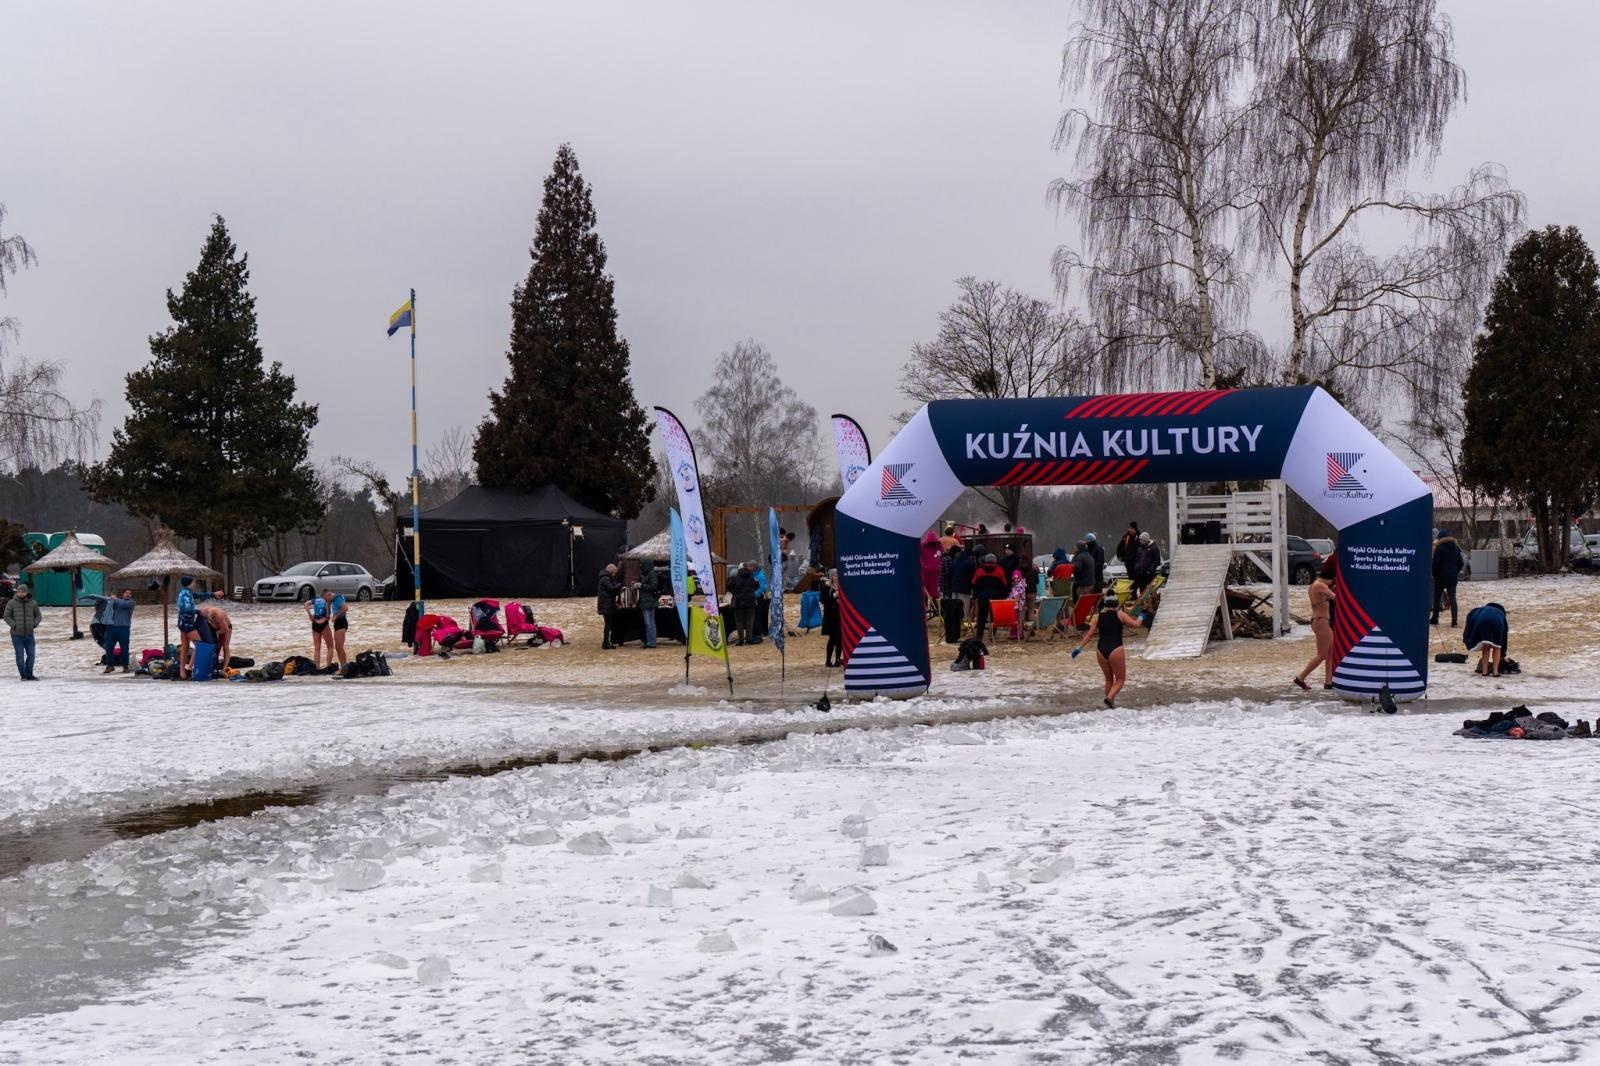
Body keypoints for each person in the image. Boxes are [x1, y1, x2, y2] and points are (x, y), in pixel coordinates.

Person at [1077, 590, 1145, 708]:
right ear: (1116, 603)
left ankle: (1109, 705)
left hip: (1100, 650)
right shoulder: (1120, 614)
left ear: (1105, 604)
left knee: (1108, 679)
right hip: (1116, 649)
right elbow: (1136, 625)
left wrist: (1078, 648)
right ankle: (1109, 698)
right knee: (1120, 679)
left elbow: (1089, 635)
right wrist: (1141, 616)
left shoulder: (1098, 617)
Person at [1293, 558, 1339, 690]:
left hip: (1320, 620)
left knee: (1330, 653)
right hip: (1321, 621)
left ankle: (1328, 682)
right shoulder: (1321, 586)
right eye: (1332, 581)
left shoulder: (1314, 584)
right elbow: (1336, 598)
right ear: (1329, 579)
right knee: (1322, 655)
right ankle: (1300, 678)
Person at [4, 582, 41, 681]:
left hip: (29, 634)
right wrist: (14, 625)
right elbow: (6, 616)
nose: (21, 593)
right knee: (20, 656)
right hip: (16, 635)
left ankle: (30, 675)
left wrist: (34, 624)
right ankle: (23, 675)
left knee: (31, 655)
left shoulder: (33, 603)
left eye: (23, 592)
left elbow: (38, 616)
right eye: (19, 592)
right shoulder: (11, 603)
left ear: (26, 592)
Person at [1464, 602, 1509, 678]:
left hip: (1482, 622)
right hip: (1497, 623)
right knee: (1497, 647)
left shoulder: (1481, 610)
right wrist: (1503, 654)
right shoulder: (1501, 614)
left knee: (1486, 645)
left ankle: (1484, 671)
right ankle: (1495, 672)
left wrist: (1466, 638)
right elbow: (1504, 637)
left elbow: (1470, 617)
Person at [971, 552, 1009, 642]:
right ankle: (992, 635)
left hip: (983, 596)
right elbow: (1004, 584)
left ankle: (979, 635)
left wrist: (976, 595)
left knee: (982, 616)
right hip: (996, 598)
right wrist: (1004, 595)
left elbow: (973, 583)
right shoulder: (999, 570)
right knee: (994, 617)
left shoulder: (979, 570)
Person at [1431, 528, 1465, 627]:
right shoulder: (1456, 548)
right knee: (1453, 598)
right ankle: (1454, 621)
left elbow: (1435, 563)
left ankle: (1435, 619)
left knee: (1437, 598)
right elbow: (1461, 563)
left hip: (1440, 578)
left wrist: (1435, 574)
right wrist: (1455, 572)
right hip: (1452, 578)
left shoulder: (1439, 548)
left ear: (1440, 538)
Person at [728, 561, 761, 646]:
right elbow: (756, 586)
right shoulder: (752, 577)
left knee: (739, 622)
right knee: (750, 621)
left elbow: (729, 586)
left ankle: (741, 640)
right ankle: (749, 639)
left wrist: (734, 592)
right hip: (751, 602)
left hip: (738, 602)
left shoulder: (735, 578)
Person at [102, 589, 135, 674]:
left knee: (124, 649)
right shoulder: (115, 602)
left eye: (130, 593)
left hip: (124, 629)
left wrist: (114, 599)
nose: (128, 595)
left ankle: (125, 666)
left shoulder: (131, 602)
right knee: (108, 647)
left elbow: (123, 604)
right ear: (123, 594)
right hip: (111, 628)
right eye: (126, 593)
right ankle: (110, 666)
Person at [198, 601, 234, 671]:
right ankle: (212, 664)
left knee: (225, 647)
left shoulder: (219, 616)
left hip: (226, 628)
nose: (210, 620)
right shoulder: (205, 611)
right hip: (215, 628)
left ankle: (224, 668)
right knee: (214, 646)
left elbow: (225, 629)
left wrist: (217, 633)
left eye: (212, 620)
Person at [820, 569, 842, 667]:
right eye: (834, 576)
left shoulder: (842, 586)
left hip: (840, 616)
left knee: (840, 639)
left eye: (837, 576)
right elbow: (823, 600)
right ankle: (828, 660)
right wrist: (834, 596)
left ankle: (837, 659)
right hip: (831, 616)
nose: (836, 578)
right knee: (832, 638)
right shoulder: (826, 586)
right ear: (831, 577)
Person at [597, 564, 622, 650]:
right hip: (606, 605)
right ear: (611, 572)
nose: (615, 575)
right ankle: (606, 643)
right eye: (614, 573)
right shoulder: (605, 579)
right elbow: (611, 589)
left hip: (606, 604)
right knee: (608, 625)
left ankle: (606, 642)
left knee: (608, 624)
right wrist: (619, 585)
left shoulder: (604, 578)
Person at [638, 559, 662, 649]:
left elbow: (654, 586)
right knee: (649, 622)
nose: (641, 567)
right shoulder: (647, 574)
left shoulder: (651, 574)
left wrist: (641, 586)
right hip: (646, 601)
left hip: (649, 601)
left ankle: (651, 642)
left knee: (649, 623)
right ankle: (650, 641)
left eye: (642, 565)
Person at [324, 589, 349, 670]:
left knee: (339, 647)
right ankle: (343, 667)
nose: (327, 601)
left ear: (329, 595)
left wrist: (336, 616)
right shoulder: (333, 599)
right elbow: (328, 605)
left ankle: (344, 667)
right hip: (338, 623)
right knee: (338, 647)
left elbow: (345, 608)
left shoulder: (338, 598)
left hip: (341, 622)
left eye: (326, 599)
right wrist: (328, 611)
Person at [952, 544, 977, 622]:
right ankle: (964, 625)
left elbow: (951, 574)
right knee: (964, 608)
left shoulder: (955, 561)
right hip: (964, 588)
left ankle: (955, 624)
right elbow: (973, 577)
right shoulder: (970, 563)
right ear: (970, 555)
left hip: (954, 588)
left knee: (955, 608)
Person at [306, 591, 331, 668]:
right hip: (324, 624)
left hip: (315, 624)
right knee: (330, 647)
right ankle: (328, 666)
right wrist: (328, 616)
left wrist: (310, 615)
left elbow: (305, 604)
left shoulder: (315, 600)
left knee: (317, 648)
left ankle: (317, 667)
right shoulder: (326, 601)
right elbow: (327, 614)